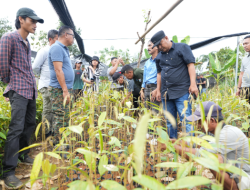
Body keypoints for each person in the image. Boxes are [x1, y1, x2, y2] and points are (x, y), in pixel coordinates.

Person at [160, 101, 250, 190]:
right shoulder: (211, 132)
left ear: (212, 120)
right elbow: (191, 143)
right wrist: (174, 142)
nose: (198, 125)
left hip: (245, 178)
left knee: (214, 158)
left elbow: (201, 155)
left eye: (200, 121)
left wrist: (173, 147)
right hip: (233, 173)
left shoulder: (228, 134)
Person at [0, 8, 44, 189]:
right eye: (32, 21)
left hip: (30, 90)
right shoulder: (8, 38)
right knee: (16, 128)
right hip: (18, 89)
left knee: (30, 124)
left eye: (36, 23)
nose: (35, 25)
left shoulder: (26, 42)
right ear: (21, 20)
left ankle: (24, 155)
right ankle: (9, 171)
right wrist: (11, 86)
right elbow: (3, 65)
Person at [151, 30, 198, 139]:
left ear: (166, 38)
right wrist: (158, 90)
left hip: (182, 92)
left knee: (186, 120)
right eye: (157, 46)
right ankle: (173, 147)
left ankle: (190, 148)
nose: (159, 47)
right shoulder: (159, 57)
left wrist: (193, 84)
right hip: (166, 94)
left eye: (160, 44)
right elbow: (159, 74)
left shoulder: (182, 48)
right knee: (169, 121)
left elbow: (190, 65)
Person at [48, 25, 74, 145]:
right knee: (60, 116)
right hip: (59, 89)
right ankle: (58, 144)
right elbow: (58, 71)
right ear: (66, 35)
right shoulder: (57, 48)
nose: (73, 39)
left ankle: (62, 141)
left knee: (65, 116)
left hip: (64, 88)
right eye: (73, 36)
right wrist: (65, 90)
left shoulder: (64, 49)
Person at [32, 29, 58, 138]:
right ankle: (46, 132)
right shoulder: (44, 51)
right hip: (46, 85)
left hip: (54, 85)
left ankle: (50, 131)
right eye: (57, 39)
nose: (59, 42)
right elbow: (35, 67)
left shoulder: (58, 51)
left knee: (53, 109)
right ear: (50, 39)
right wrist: (42, 75)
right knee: (48, 109)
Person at [141, 40, 161, 113]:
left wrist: (158, 90)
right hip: (147, 88)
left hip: (155, 87)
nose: (148, 48)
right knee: (147, 112)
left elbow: (162, 75)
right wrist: (142, 89)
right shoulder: (147, 62)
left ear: (156, 47)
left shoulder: (161, 60)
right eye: (147, 46)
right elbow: (144, 76)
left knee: (155, 112)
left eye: (150, 45)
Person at [236, 35, 250, 102]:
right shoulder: (244, 59)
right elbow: (241, 74)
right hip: (245, 88)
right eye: (243, 44)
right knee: (245, 109)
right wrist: (239, 88)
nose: (244, 46)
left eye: (246, 43)